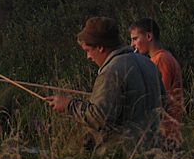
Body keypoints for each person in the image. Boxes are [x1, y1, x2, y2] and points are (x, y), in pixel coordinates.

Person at [46, 16, 164, 148]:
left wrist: (68, 105)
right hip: (155, 152)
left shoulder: (111, 71)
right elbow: (163, 103)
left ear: (101, 47)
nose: (88, 57)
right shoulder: (148, 63)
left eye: (88, 51)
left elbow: (99, 118)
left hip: (126, 155)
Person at [129, 17, 184, 142]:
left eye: (135, 39)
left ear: (149, 36)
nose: (132, 45)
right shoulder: (161, 58)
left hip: (165, 133)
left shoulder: (160, 60)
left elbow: (158, 99)